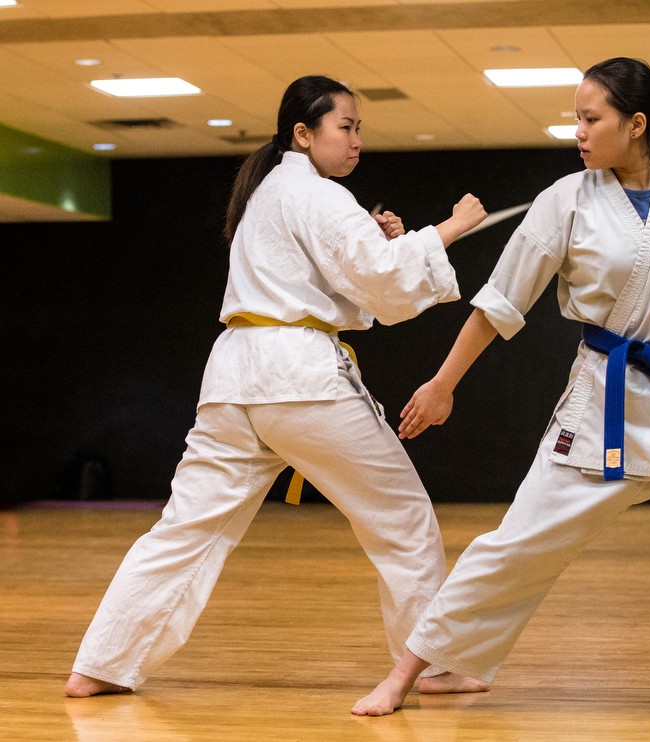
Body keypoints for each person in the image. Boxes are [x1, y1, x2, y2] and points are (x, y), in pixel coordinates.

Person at [353, 57, 650, 720]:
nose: (576, 130)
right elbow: (499, 303)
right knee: (518, 544)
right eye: (576, 116)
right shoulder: (565, 200)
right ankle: (408, 671)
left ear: (635, 124)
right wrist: (441, 383)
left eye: (589, 117)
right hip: (605, 403)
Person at [65, 75, 489, 698]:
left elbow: (344, 277)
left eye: (359, 129)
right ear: (302, 133)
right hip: (300, 378)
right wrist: (450, 227)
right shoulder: (314, 193)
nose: (356, 140)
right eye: (345, 127)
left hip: (235, 382)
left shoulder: (268, 194)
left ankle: (98, 665)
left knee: (186, 529)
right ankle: (438, 666)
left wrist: (383, 240)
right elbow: (378, 279)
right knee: (402, 518)